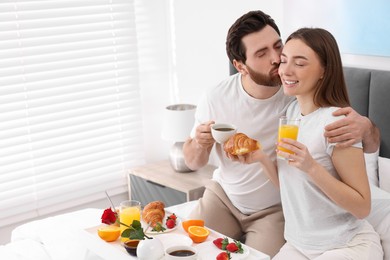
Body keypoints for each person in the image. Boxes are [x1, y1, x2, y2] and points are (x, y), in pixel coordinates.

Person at [182, 10, 380, 257]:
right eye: (263, 54)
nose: (278, 62)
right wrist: (206, 145)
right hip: (229, 198)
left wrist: (366, 127)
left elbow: (362, 201)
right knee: (183, 245)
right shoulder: (291, 109)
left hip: (278, 213)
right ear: (240, 66)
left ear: (323, 70)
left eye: (279, 48)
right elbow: (193, 162)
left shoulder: (323, 117)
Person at [249, 27, 383, 259]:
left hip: (345, 246)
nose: (286, 71)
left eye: (300, 64)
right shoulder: (290, 113)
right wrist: (261, 158)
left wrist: (312, 167)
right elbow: (294, 187)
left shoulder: (337, 122)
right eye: (283, 61)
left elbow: (362, 207)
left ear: (324, 70)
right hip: (298, 245)